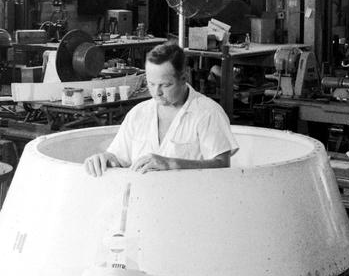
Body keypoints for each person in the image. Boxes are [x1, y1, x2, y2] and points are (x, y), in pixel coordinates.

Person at [84, 41, 236, 176]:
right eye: (151, 84)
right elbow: (118, 156)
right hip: (144, 200)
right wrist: (104, 159)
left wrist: (171, 164)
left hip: (190, 201)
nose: (157, 92)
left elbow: (221, 165)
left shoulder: (208, 112)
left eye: (165, 85)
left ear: (184, 78)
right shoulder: (139, 113)